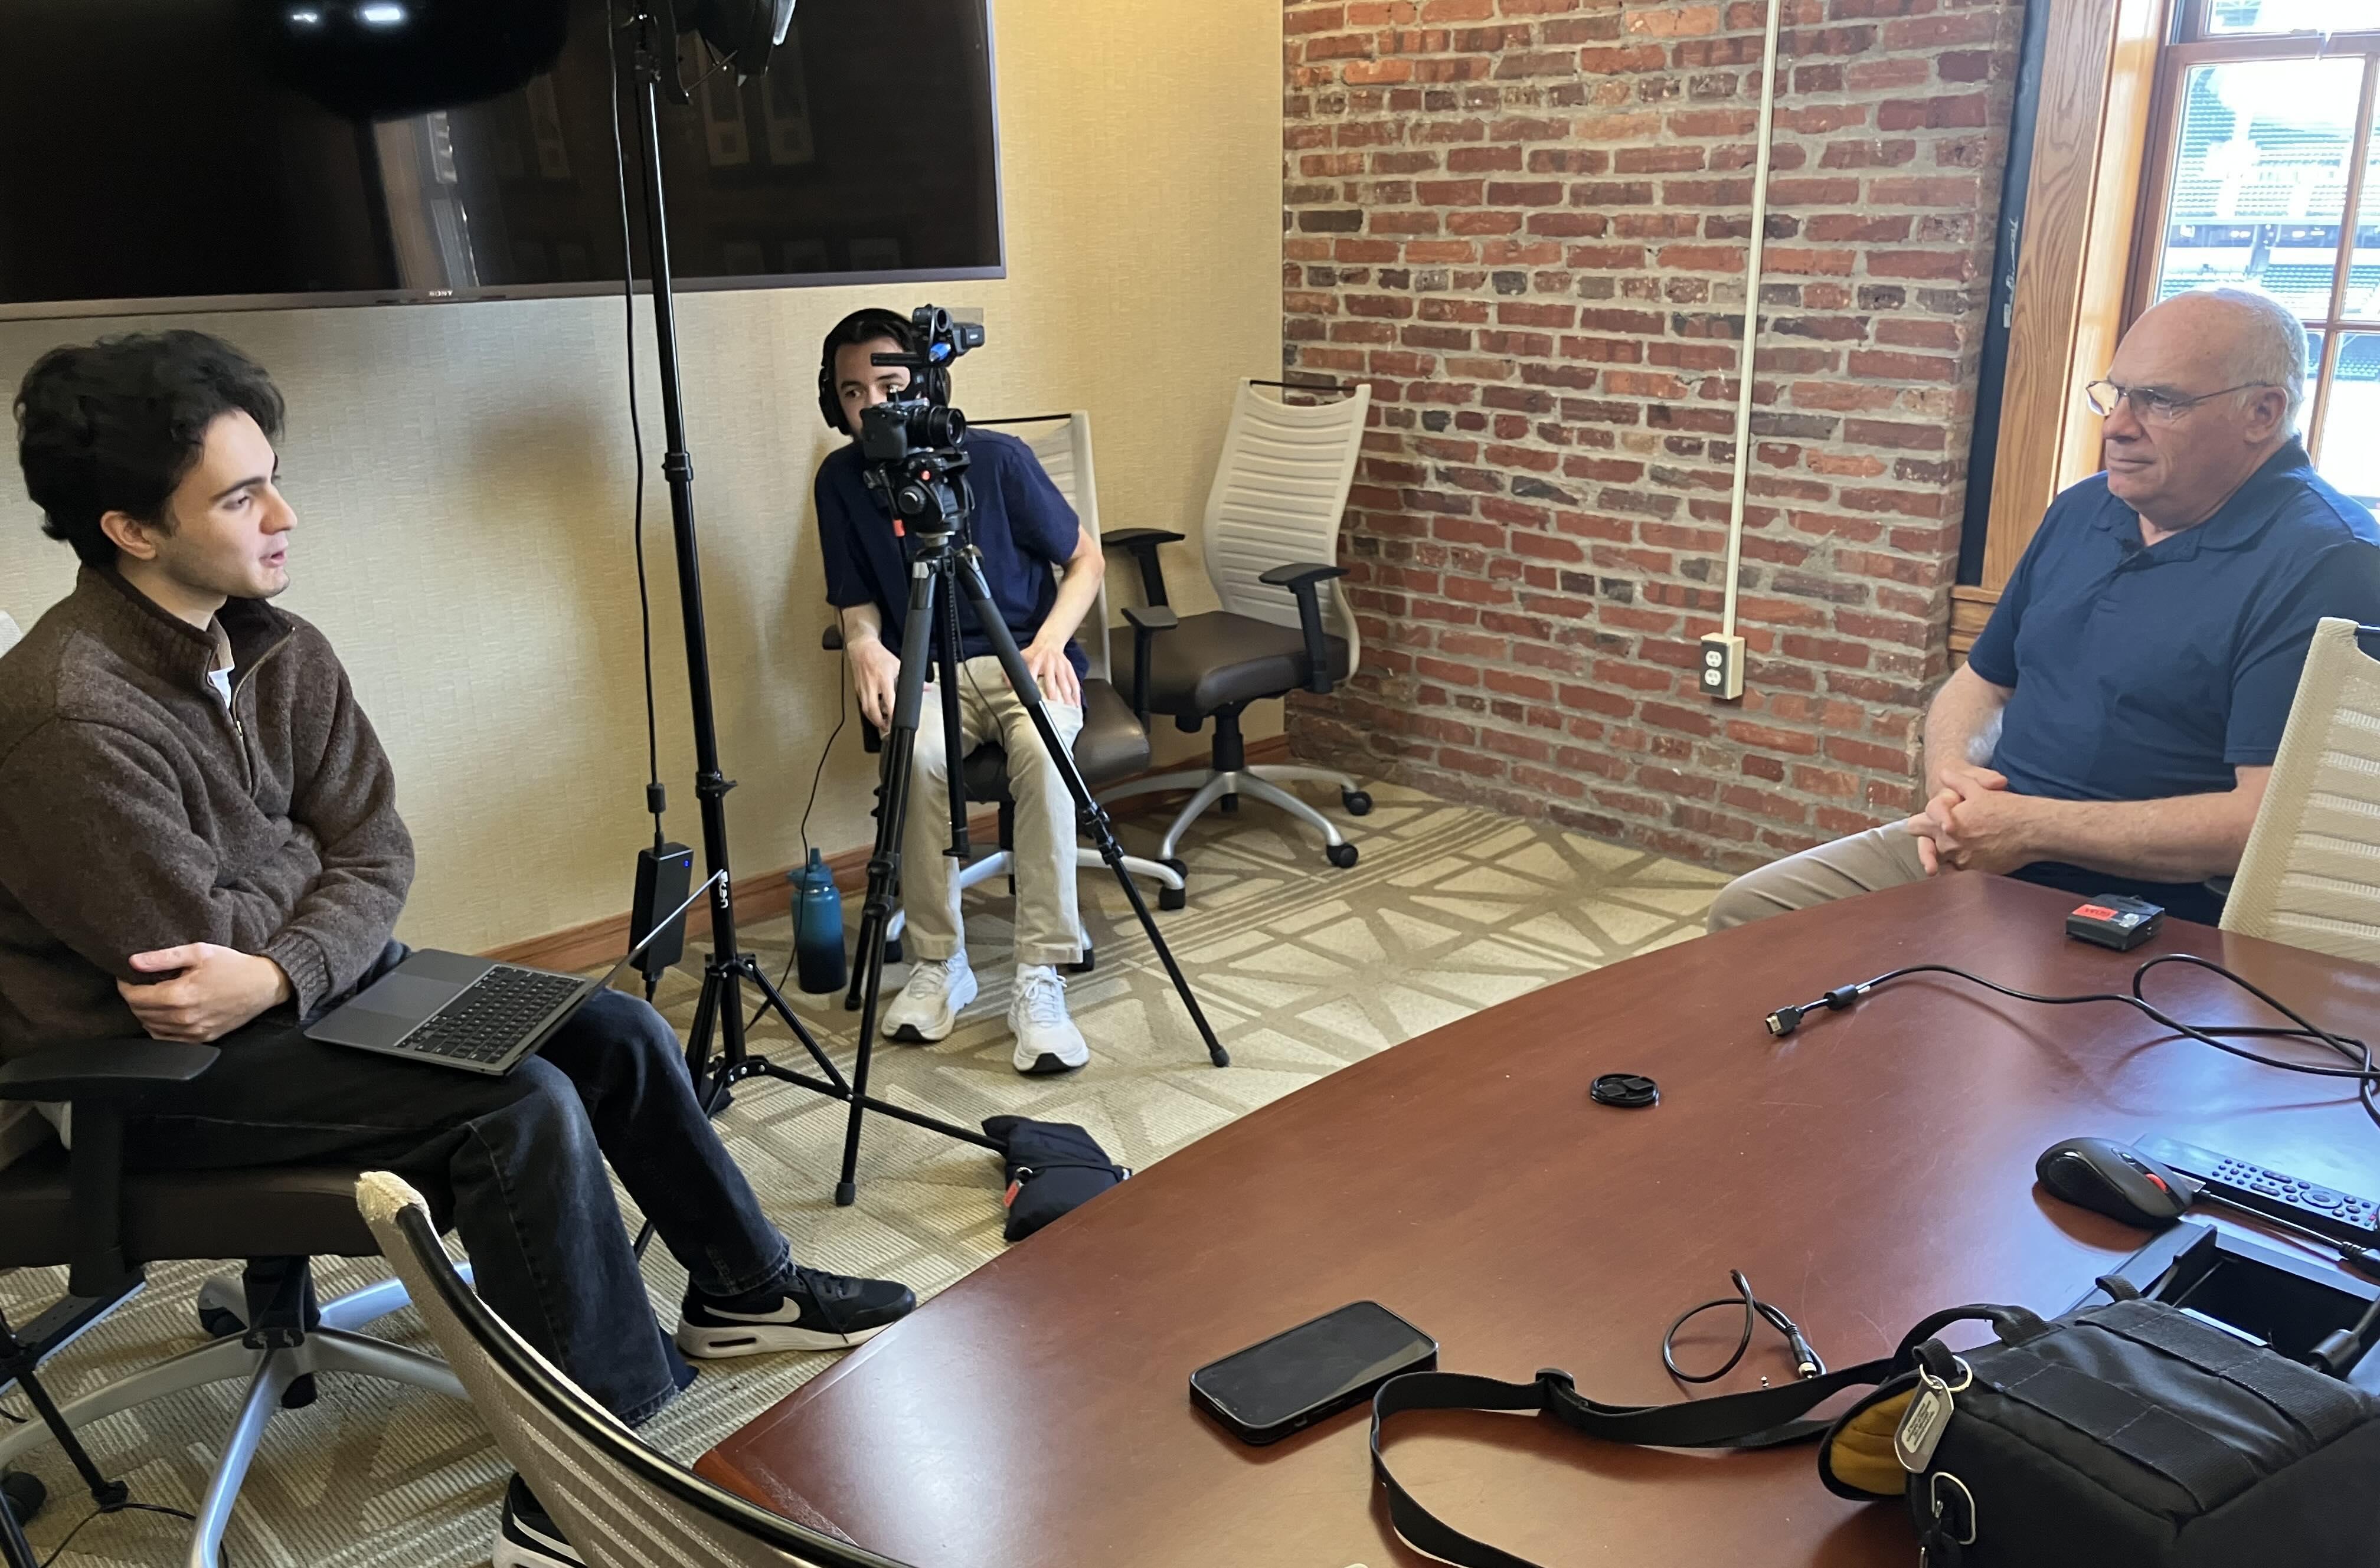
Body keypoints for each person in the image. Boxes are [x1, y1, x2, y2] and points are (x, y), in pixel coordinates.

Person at [0, 331, 916, 1568]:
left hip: (279, 1003)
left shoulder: (275, 642)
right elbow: (189, 964)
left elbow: (374, 846)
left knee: (615, 1030)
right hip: (145, 1075)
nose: (283, 513)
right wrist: (301, 909)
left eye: (272, 474)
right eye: (237, 495)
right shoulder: (71, 712)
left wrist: (284, 951)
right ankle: (590, 1479)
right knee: (519, 1107)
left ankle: (743, 1295)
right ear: (130, 528)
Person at [1708, 287, 2380, 933]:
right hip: (1988, 843)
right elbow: (1981, 679)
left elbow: (2266, 823)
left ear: (2262, 413)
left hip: (2150, 902)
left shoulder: (2328, 563)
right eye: (2117, 394)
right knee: (1755, 913)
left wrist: (2030, 828)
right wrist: (1953, 781)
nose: (2118, 425)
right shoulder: (2086, 507)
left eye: (2161, 401)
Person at [812, 308, 1106, 1075]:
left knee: (1045, 760)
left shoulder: (998, 460)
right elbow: (854, 594)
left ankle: (1041, 975)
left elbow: (1086, 561)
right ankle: (942, 963)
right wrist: (864, 643)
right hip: (928, 669)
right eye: (851, 392)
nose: (871, 405)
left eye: (888, 382)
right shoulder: (843, 480)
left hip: (1022, 660)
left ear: (926, 379)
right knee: (917, 761)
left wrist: (1047, 642)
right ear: (833, 402)